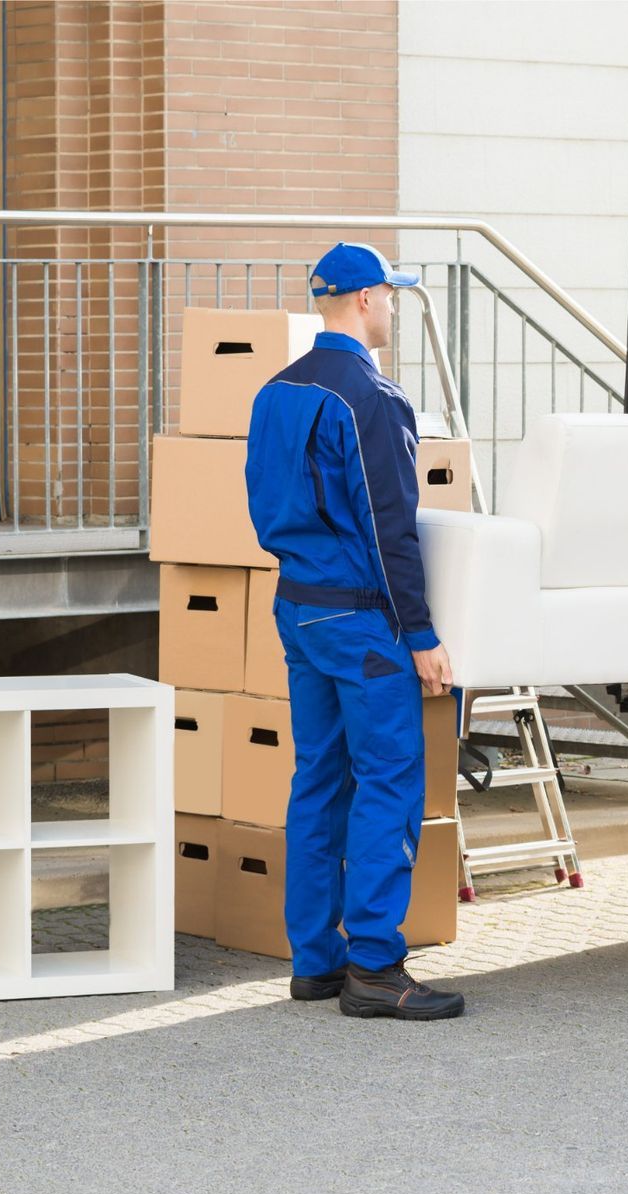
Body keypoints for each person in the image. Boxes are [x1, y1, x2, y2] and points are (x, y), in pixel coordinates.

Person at [243, 242, 465, 1020]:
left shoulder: (274, 391)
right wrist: (422, 634)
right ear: (367, 299)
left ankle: (315, 960)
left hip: (298, 605)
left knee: (319, 779)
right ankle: (375, 963)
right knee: (390, 780)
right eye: (393, 295)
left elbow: (263, 505)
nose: (395, 308)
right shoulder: (370, 397)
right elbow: (390, 528)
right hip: (362, 618)